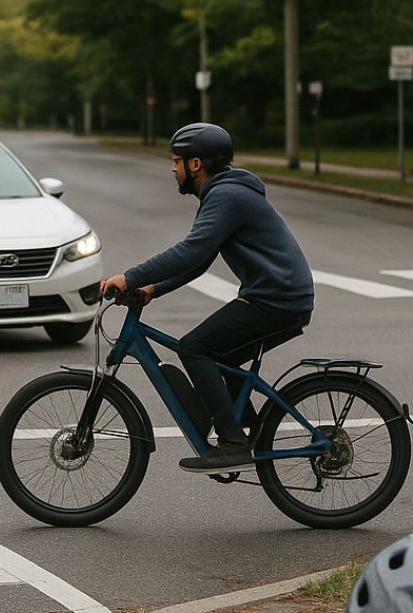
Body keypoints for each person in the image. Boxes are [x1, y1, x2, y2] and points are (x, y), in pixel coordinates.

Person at [100, 123, 314, 474]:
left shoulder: (227, 196)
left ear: (195, 164)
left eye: (176, 161)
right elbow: (200, 259)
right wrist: (153, 290)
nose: (172, 168)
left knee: (195, 348)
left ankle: (232, 444)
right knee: (218, 356)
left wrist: (131, 277)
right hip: (280, 297)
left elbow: (190, 251)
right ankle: (251, 433)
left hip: (276, 300)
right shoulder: (225, 192)